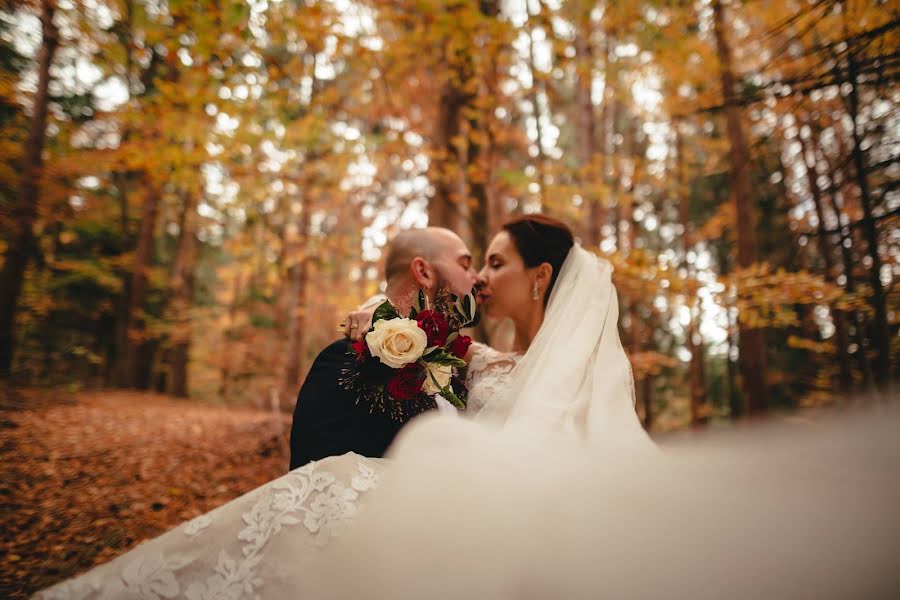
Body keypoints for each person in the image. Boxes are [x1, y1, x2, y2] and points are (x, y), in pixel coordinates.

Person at [31, 215, 652, 599]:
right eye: (471, 264)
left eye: (491, 263)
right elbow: (314, 478)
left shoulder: (506, 371)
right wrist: (382, 319)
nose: (480, 279)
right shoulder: (370, 354)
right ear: (425, 273)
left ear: (540, 277)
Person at [289, 227, 477, 470]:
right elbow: (316, 486)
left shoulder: (447, 366)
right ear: (423, 271)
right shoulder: (348, 361)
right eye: (464, 265)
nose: (477, 277)